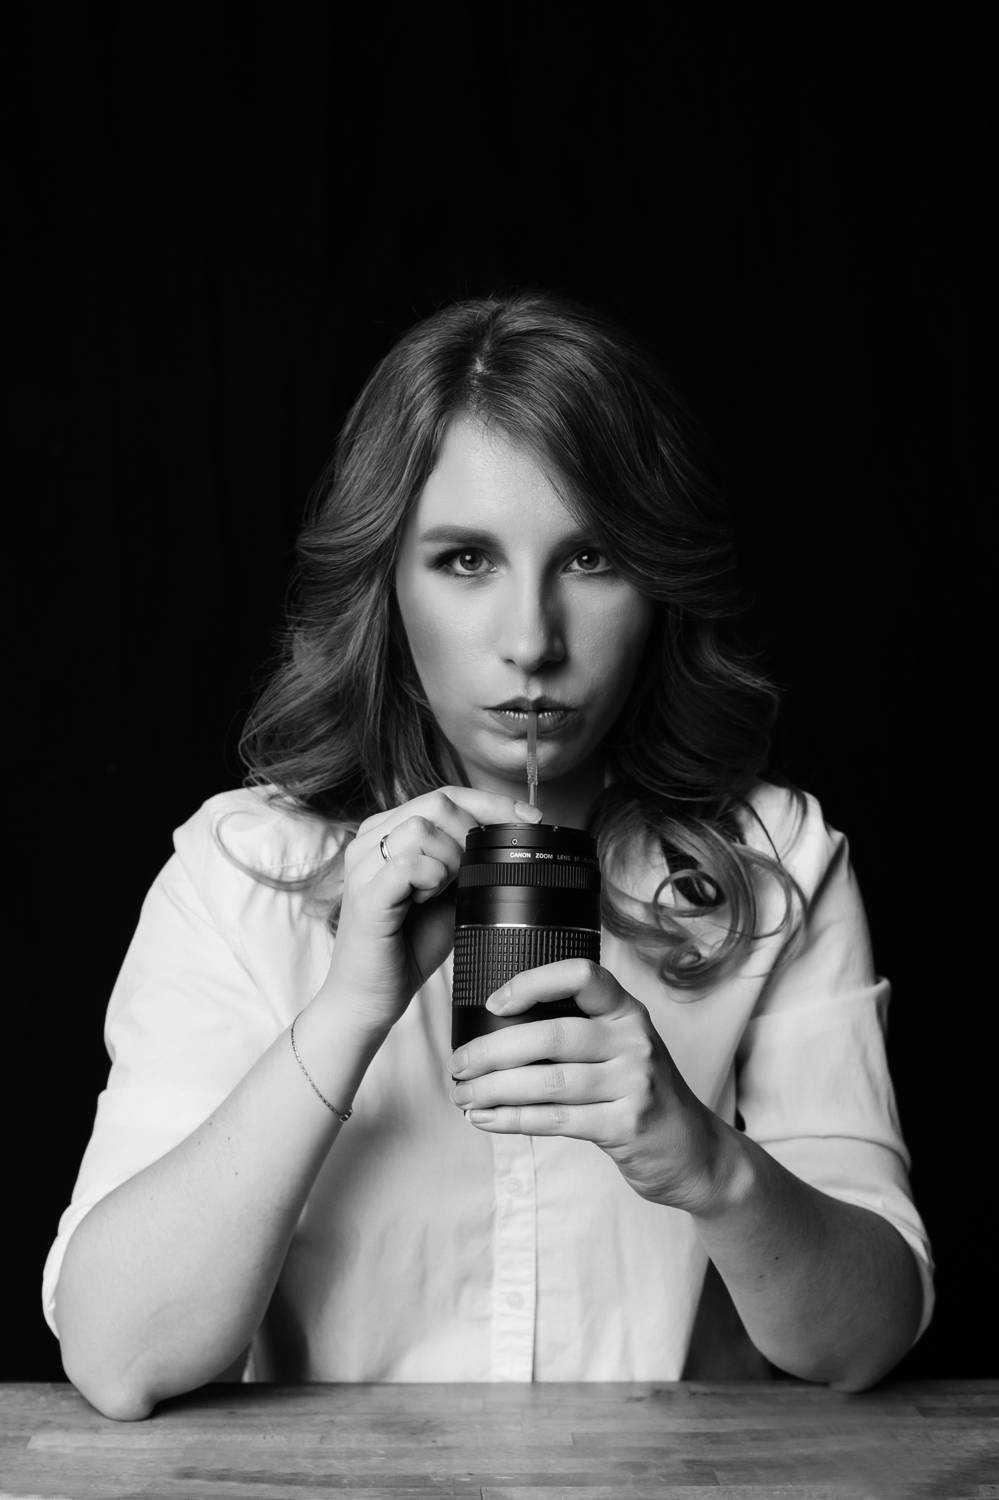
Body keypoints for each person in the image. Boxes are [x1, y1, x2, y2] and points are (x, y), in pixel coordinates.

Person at [43, 291, 933, 1420]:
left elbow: (865, 1340)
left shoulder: (775, 862)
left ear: (659, 583)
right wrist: (348, 1009)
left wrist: (708, 1164)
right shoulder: (242, 871)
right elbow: (119, 1359)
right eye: (466, 559)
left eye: (592, 557)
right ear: (386, 580)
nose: (531, 641)